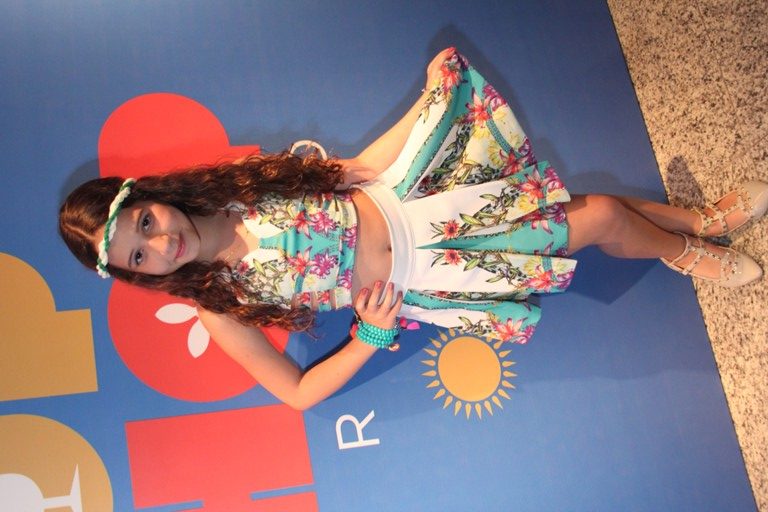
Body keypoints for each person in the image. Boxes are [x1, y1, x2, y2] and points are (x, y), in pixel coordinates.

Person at [59, 48, 767, 410]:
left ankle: (697, 226)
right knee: (599, 216)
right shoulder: (219, 310)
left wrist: (431, 102)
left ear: (150, 196)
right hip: (430, 271)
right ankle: (687, 248)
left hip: (424, 197)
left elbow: (357, 171)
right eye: (139, 257)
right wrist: (368, 337)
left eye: (144, 222)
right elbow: (297, 394)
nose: (161, 243)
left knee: (589, 207)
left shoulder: (240, 183)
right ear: (138, 277)